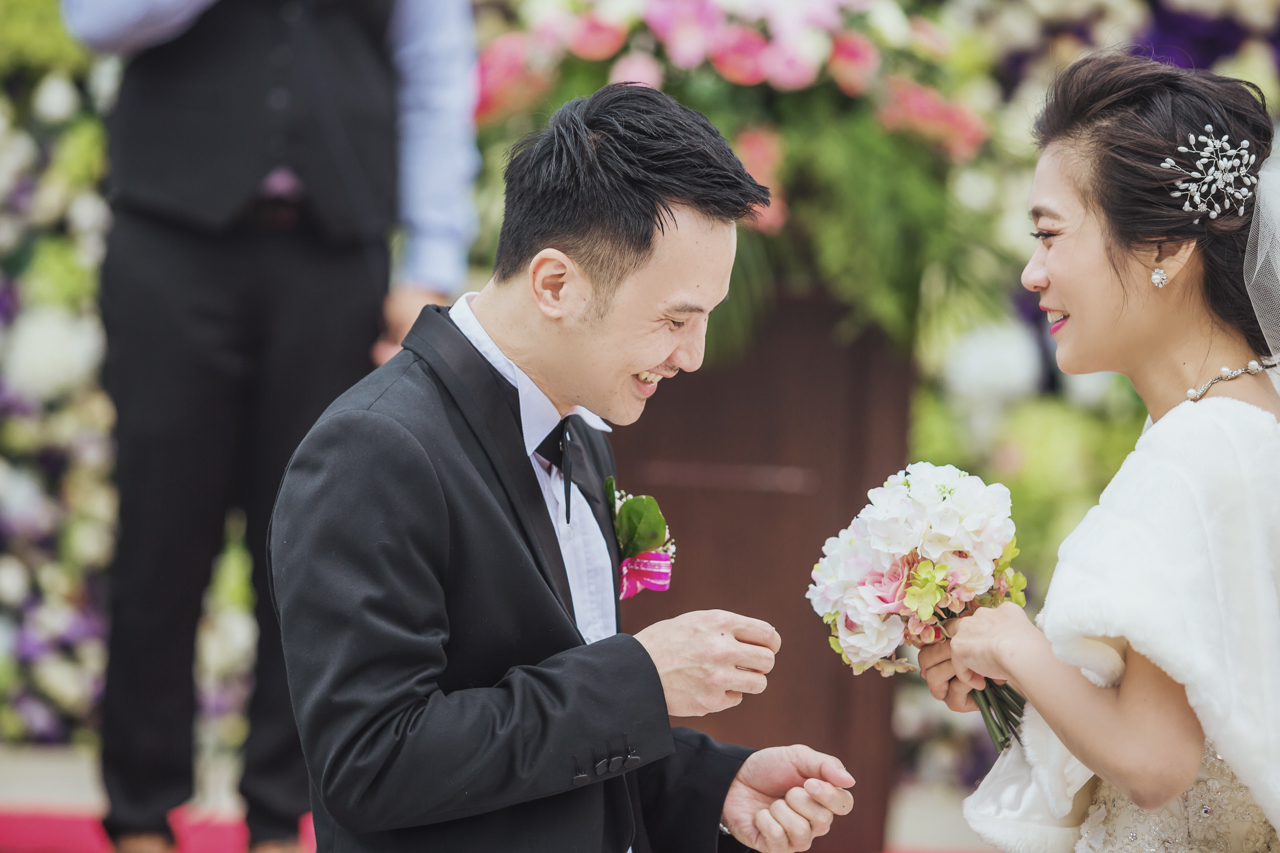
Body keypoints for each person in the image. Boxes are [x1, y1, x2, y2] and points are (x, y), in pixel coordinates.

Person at [269, 83, 857, 853]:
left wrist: (710, 782)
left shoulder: (577, 428)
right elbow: (372, 762)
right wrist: (639, 679)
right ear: (556, 284)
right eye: (676, 319)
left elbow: (549, 726)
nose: (693, 355)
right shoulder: (372, 450)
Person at [58, 2, 479, 851]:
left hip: (337, 257)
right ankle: (141, 811)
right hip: (170, 242)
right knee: (160, 537)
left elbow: (435, 70)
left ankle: (281, 813)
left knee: (317, 543)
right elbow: (95, 21)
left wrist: (431, 260)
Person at [918, 52, 1280, 853]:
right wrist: (1015, 670)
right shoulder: (1250, 424)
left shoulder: (1197, 449)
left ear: (1164, 246)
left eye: (1050, 235)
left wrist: (1013, 642)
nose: (1032, 273)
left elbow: (1153, 762)